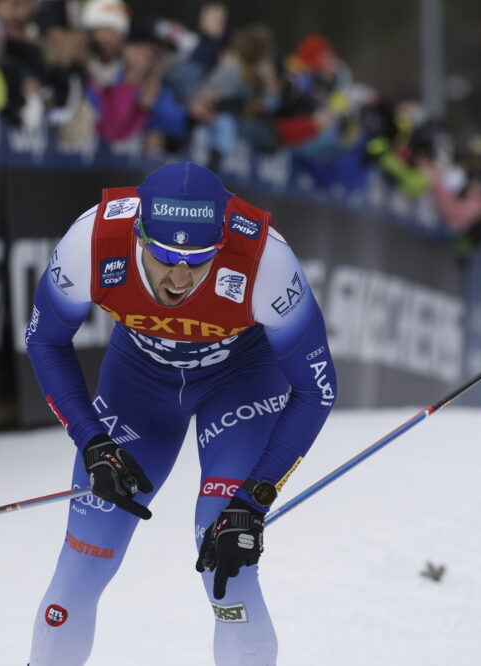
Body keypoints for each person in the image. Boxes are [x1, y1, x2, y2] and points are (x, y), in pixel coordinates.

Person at [24, 161, 337, 665]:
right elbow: (44, 340)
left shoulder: (265, 260)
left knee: (226, 559)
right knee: (81, 564)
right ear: (138, 234)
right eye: (165, 254)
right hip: (139, 387)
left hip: (240, 383)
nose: (180, 274)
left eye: (199, 258)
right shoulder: (94, 238)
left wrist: (254, 500)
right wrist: (92, 440)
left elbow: (317, 389)